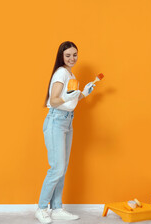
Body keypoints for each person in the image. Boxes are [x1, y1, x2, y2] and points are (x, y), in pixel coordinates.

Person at [35, 41, 95, 224]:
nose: (72, 58)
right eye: (68, 55)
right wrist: (67, 96)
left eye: (75, 54)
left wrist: (84, 93)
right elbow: (53, 101)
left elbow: (69, 100)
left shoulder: (70, 73)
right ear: (61, 56)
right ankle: (42, 208)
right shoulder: (61, 73)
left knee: (62, 168)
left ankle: (57, 208)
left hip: (67, 121)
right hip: (56, 121)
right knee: (57, 168)